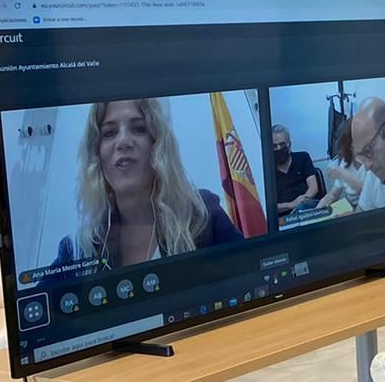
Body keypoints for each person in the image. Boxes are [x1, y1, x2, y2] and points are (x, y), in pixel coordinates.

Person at [54, 98, 243, 269]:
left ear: (157, 144)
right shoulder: (75, 250)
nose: (123, 141)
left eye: (139, 128)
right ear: (97, 153)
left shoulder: (202, 216)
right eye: (110, 132)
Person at [272, 124, 321, 217]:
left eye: (282, 144)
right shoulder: (267, 172)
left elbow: (313, 188)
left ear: (289, 145)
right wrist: (292, 204)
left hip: (308, 208)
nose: (278, 149)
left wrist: (302, 202)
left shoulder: (303, 157)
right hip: (284, 216)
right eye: (274, 146)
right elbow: (269, 207)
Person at [316, 120, 366, 210]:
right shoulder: (346, 162)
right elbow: (333, 195)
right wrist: (316, 212)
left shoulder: (371, 163)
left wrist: (343, 174)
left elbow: (366, 192)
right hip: (350, 206)